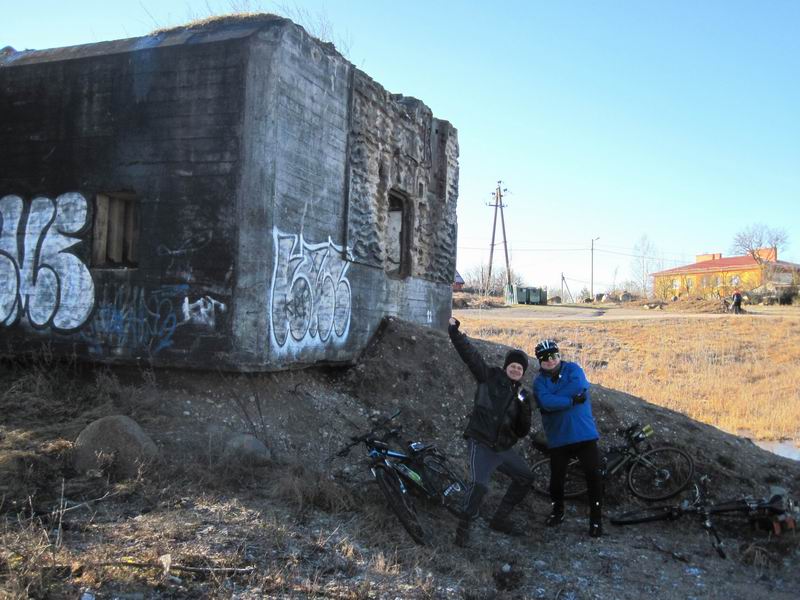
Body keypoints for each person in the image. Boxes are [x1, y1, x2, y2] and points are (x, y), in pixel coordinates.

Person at [448, 317, 534, 547]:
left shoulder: (523, 396)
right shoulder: (489, 378)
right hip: (481, 442)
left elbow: (522, 431)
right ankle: (463, 528)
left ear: (522, 373)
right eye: (512, 366)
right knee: (479, 485)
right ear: (506, 367)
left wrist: (525, 408)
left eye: (519, 368)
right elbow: (471, 356)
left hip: (502, 448)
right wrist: (455, 333)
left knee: (526, 477)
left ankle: (499, 520)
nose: (515, 369)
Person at [532, 339, 604, 538]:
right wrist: (571, 400)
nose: (551, 361)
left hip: (584, 435)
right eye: (545, 358)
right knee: (556, 481)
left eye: (554, 356)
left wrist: (555, 399)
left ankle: (596, 520)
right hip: (559, 439)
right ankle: (557, 511)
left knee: (594, 476)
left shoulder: (574, 369)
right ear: (539, 362)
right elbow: (545, 402)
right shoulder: (539, 382)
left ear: (559, 355)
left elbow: (579, 385)